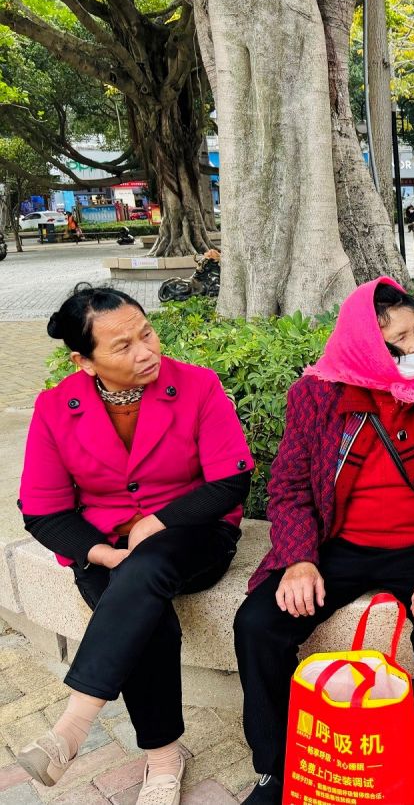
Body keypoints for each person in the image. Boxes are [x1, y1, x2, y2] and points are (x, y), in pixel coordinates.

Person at [234, 279, 414, 805]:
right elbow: (289, 486)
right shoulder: (317, 395)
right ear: (366, 347)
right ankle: (276, 769)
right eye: (401, 339)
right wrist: (299, 558)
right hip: (341, 544)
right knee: (257, 624)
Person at [17, 285, 252, 805]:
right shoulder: (56, 408)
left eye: (147, 333)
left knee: (144, 572)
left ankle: (72, 727)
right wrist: (101, 553)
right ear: (84, 362)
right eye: (123, 346)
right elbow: (42, 509)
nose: (146, 351)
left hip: (194, 532)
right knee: (143, 610)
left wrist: (159, 521)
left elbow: (231, 481)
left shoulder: (197, 385)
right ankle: (164, 756)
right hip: (102, 545)